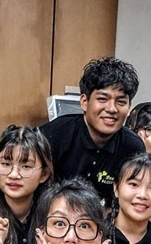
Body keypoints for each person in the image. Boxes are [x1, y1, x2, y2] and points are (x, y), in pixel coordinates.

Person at [41, 57, 144, 205]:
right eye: (102, 99)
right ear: (84, 102)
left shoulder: (133, 147)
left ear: (129, 108)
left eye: (121, 102)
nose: (112, 109)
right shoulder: (54, 134)